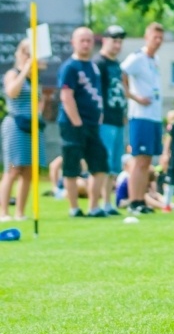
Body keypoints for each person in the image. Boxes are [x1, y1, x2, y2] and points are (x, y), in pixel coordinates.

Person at [58, 26, 109, 217]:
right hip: (73, 125)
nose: (86, 44)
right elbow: (66, 96)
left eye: (89, 40)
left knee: (100, 164)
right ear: (74, 43)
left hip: (93, 124)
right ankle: (74, 208)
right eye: (82, 40)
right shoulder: (70, 67)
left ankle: (94, 207)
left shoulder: (94, 67)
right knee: (72, 166)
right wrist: (77, 123)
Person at [121, 22, 164, 215]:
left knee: (147, 162)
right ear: (146, 37)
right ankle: (134, 201)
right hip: (140, 116)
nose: (158, 41)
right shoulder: (136, 58)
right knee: (138, 161)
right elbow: (120, 74)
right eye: (155, 37)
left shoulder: (155, 59)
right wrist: (134, 96)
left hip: (154, 116)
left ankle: (141, 201)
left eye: (161, 38)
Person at [0, 39, 45, 222]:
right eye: (26, 52)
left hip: (31, 127)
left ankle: (20, 211)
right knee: (12, 169)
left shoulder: (34, 78)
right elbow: (12, 92)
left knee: (29, 170)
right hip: (15, 127)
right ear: (20, 53)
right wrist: (25, 68)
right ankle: (3, 212)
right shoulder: (13, 74)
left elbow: (39, 100)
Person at [93, 25, 128, 216]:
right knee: (103, 163)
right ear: (105, 40)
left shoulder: (116, 64)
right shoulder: (99, 63)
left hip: (116, 118)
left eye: (120, 41)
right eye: (114, 41)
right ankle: (97, 203)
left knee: (114, 165)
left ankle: (108, 203)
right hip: (104, 119)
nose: (117, 45)